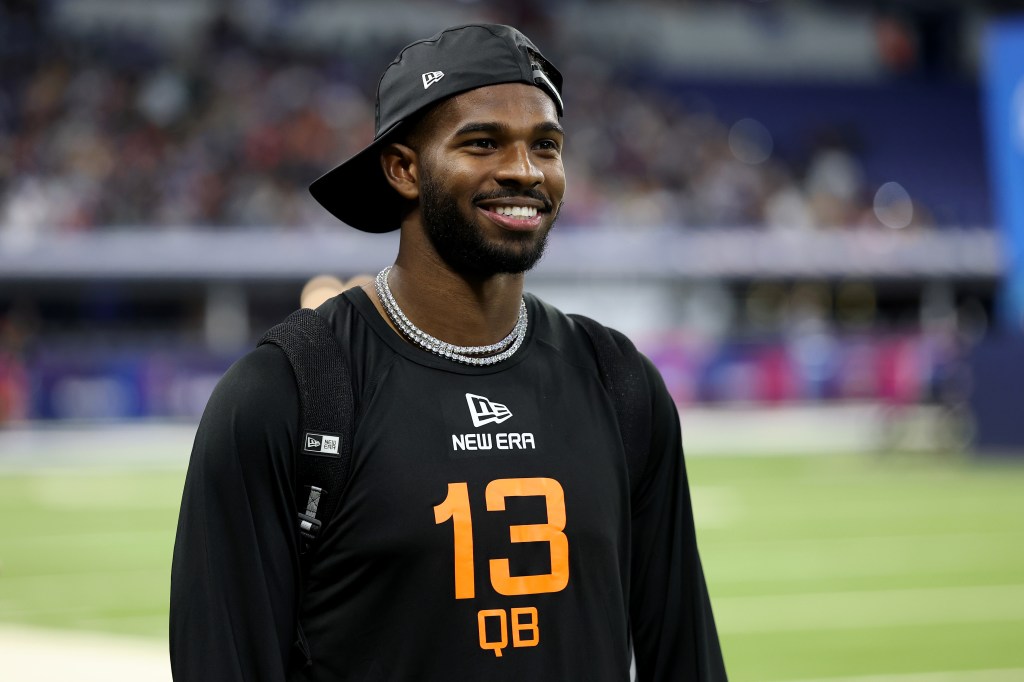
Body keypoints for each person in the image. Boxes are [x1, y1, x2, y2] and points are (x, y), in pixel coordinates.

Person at [170, 23, 726, 681]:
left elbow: (684, 657)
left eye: (546, 145)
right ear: (403, 168)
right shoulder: (285, 392)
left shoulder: (620, 382)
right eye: (483, 143)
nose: (524, 170)